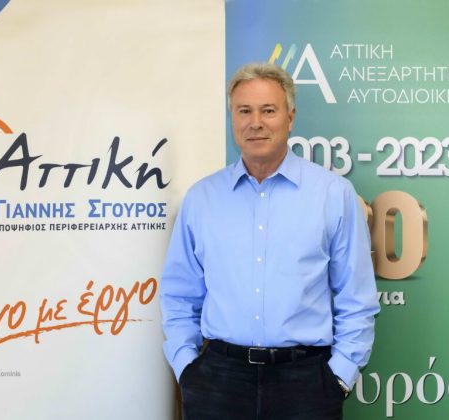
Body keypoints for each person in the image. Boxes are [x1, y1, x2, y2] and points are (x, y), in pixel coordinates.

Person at [160, 62, 380, 420]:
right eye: (244, 111)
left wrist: (339, 377)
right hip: (217, 382)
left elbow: (356, 297)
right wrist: (187, 366)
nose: (255, 122)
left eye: (268, 110)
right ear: (232, 118)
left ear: (290, 118)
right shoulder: (202, 199)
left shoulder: (333, 195)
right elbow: (179, 294)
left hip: (306, 384)